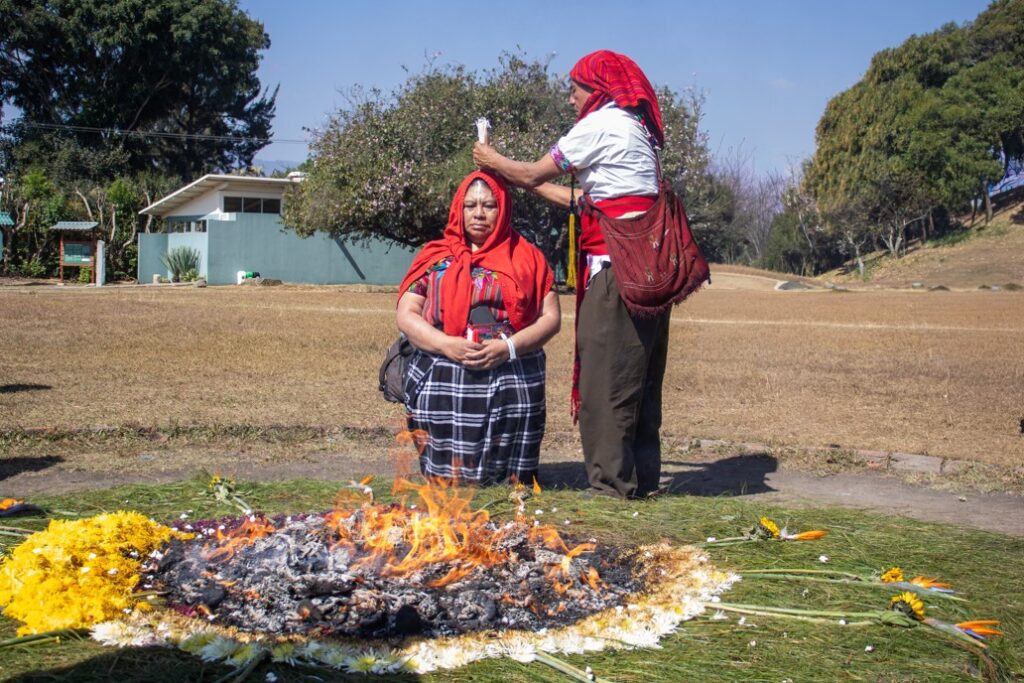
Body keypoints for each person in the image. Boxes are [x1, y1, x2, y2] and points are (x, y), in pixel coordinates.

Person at [474, 49, 668, 499]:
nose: (569, 99)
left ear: (596, 90)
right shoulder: (635, 129)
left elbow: (530, 170)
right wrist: (522, 180)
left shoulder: (599, 125)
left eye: (574, 89)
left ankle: (612, 486)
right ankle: (641, 480)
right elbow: (585, 204)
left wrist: (492, 159)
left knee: (606, 377)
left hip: (616, 271)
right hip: (648, 265)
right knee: (639, 375)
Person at [396, 170, 561, 485]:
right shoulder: (434, 257)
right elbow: (407, 314)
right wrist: (446, 344)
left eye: (489, 205)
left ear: (503, 210)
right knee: (447, 480)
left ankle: (509, 484)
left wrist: (507, 348)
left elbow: (551, 318)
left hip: (511, 367)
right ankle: (445, 482)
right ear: (459, 209)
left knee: (507, 477)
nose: (479, 214)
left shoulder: (528, 257)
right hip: (444, 367)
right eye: (471, 205)